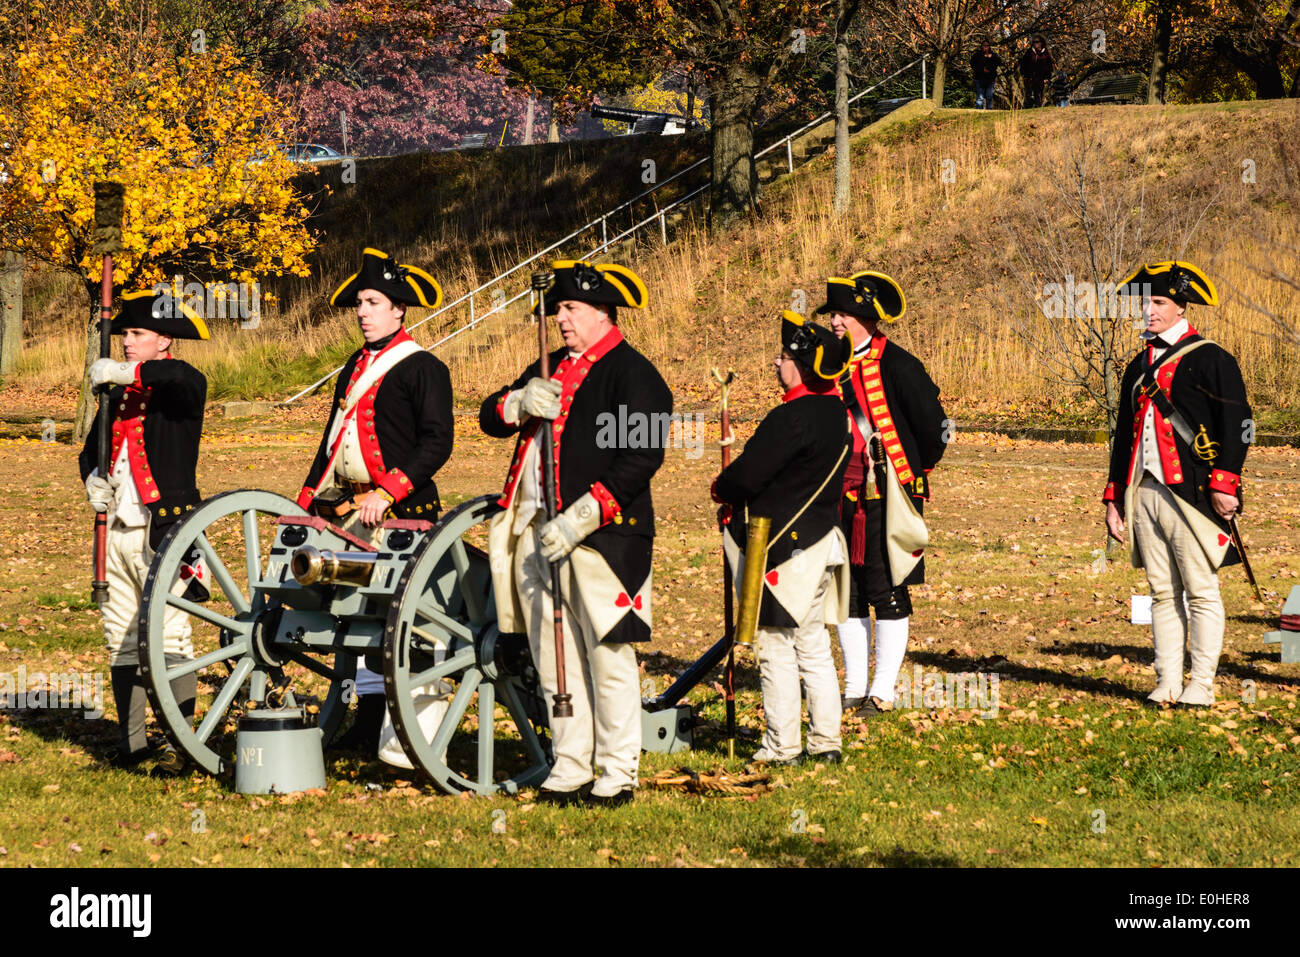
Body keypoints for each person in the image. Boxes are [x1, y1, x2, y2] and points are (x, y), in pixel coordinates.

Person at [480, 260, 672, 806]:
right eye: (557, 309)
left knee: (608, 655)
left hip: (603, 537)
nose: (559, 319)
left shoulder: (634, 374)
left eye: (569, 309)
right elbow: (487, 416)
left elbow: (641, 458)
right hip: (538, 533)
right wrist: (516, 403)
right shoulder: (548, 366)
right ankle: (569, 763)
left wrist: (581, 517)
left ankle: (616, 770)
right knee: (551, 653)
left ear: (601, 311)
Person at [297, 247, 453, 756]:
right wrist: (308, 500)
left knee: (402, 624)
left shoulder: (422, 367)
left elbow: (437, 441)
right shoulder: (353, 365)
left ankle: (406, 734)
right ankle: (366, 727)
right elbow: (332, 438)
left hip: (403, 513)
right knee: (359, 621)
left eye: (372, 301)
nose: (362, 311)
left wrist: (389, 491)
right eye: (360, 302)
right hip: (348, 512)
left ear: (398, 309)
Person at [1104, 261, 1250, 707]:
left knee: (1201, 590)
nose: (1148, 310)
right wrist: (1114, 500)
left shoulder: (1211, 357)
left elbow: (1239, 422)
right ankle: (1168, 679)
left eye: (1159, 302)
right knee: (1162, 593)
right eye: (1145, 302)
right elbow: (1123, 435)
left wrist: (1226, 483)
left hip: (1193, 493)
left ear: (1181, 306)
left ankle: (1201, 683)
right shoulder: (1136, 366)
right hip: (1143, 491)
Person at [712, 312, 852, 765]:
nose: (777, 363)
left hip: (784, 550)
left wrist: (723, 487)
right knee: (812, 646)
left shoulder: (791, 416)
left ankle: (782, 746)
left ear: (803, 365)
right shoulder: (837, 413)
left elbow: (749, 475)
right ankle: (826, 743)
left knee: (774, 647)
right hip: (822, 541)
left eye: (785, 356)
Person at [81, 288, 210, 773]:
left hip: (167, 528)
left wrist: (123, 372)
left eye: (136, 335)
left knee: (171, 634)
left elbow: (178, 376)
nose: (127, 343)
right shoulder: (115, 397)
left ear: (164, 340)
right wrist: (91, 479)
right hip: (114, 530)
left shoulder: (182, 385)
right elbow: (90, 450)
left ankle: (181, 746)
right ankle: (132, 745)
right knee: (121, 635)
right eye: (125, 335)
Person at [819, 271, 948, 718]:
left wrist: (908, 473)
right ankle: (854, 687)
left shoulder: (900, 365)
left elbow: (934, 429)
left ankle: (883, 691)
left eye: (841, 313)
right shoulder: (828, 364)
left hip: (885, 494)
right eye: (833, 313)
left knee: (887, 588)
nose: (835, 321)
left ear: (864, 318)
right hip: (837, 494)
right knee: (847, 592)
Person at [1018, 34, 1054, 108]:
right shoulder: (1029, 52)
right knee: (1029, 95)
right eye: (1034, 42)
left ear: (1041, 43)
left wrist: (1047, 77)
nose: (1035, 44)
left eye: (1037, 42)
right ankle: (1028, 108)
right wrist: (1024, 75)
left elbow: (1049, 67)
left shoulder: (1046, 54)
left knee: (1038, 94)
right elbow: (1023, 64)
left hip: (1041, 78)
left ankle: (1038, 108)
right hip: (1029, 78)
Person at [970, 39, 1002, 110]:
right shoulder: (977, 55)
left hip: (990, 79)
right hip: (979, 78)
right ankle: (979, 111)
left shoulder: (993, 55)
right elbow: (973, 64)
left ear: (989, 47)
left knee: (989, 96)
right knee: (980, 98)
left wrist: (992, 58)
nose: (985, 47)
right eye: (984, 46)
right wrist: (981, 69)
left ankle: (989, 111)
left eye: (987, 46)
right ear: (981, 46)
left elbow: (999, 62)